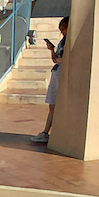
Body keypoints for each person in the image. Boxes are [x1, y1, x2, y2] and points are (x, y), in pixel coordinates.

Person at [31, 15, 68, 143]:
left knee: (59, 105)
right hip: (56, 73)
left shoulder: (70, 42)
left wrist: (58, 59)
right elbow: (55, 59)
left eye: (64, 28)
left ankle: (52, 132)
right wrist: (52, 50)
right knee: (52, 105)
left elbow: (65, 59)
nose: (62, 31)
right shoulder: (62, 42)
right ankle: (46, 132)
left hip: (62, 74)